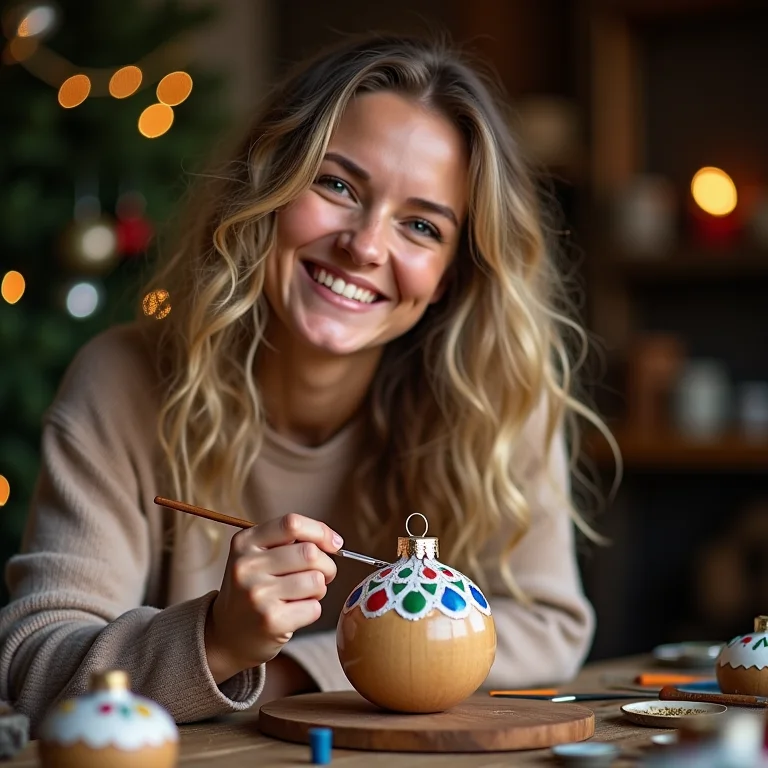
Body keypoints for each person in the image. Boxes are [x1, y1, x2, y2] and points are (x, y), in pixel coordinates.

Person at [0, 32, 615, 733]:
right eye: (337, 185)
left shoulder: (495, 398)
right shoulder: (123, 379)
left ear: (451, 277)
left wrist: (288, 672)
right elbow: (32, 663)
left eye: (420, 225)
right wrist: (217, 638)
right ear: (267, 186)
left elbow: (549, 622)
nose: (365, 245)